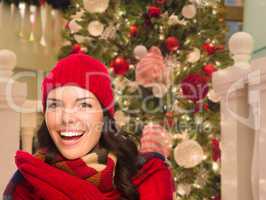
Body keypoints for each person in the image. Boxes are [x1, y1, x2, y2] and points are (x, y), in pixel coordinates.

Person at [3, 52, 175, 200]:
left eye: (84, 105)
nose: (66, 118)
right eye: (55, 105)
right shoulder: (27, 182)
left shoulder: (149, 173)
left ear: (104, 116)